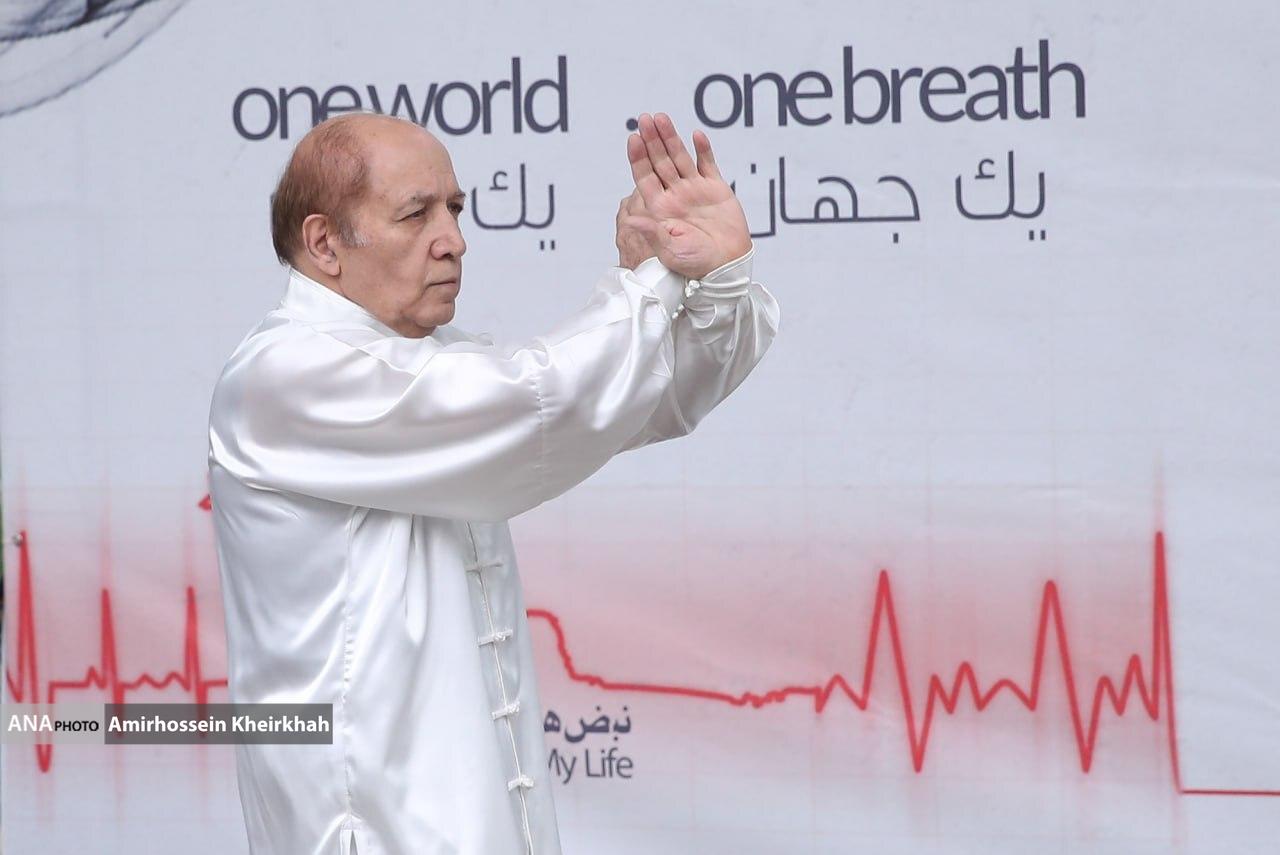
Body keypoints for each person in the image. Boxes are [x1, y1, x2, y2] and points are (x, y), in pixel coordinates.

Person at [206, 109, 779, 854]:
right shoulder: (282, 377)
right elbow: (539, 402)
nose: (453, 239)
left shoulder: (427, 361)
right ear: (323, 243)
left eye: (455, 209)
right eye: (416, 214)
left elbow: (639, 399)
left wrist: (716, 282)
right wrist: (658, 277)